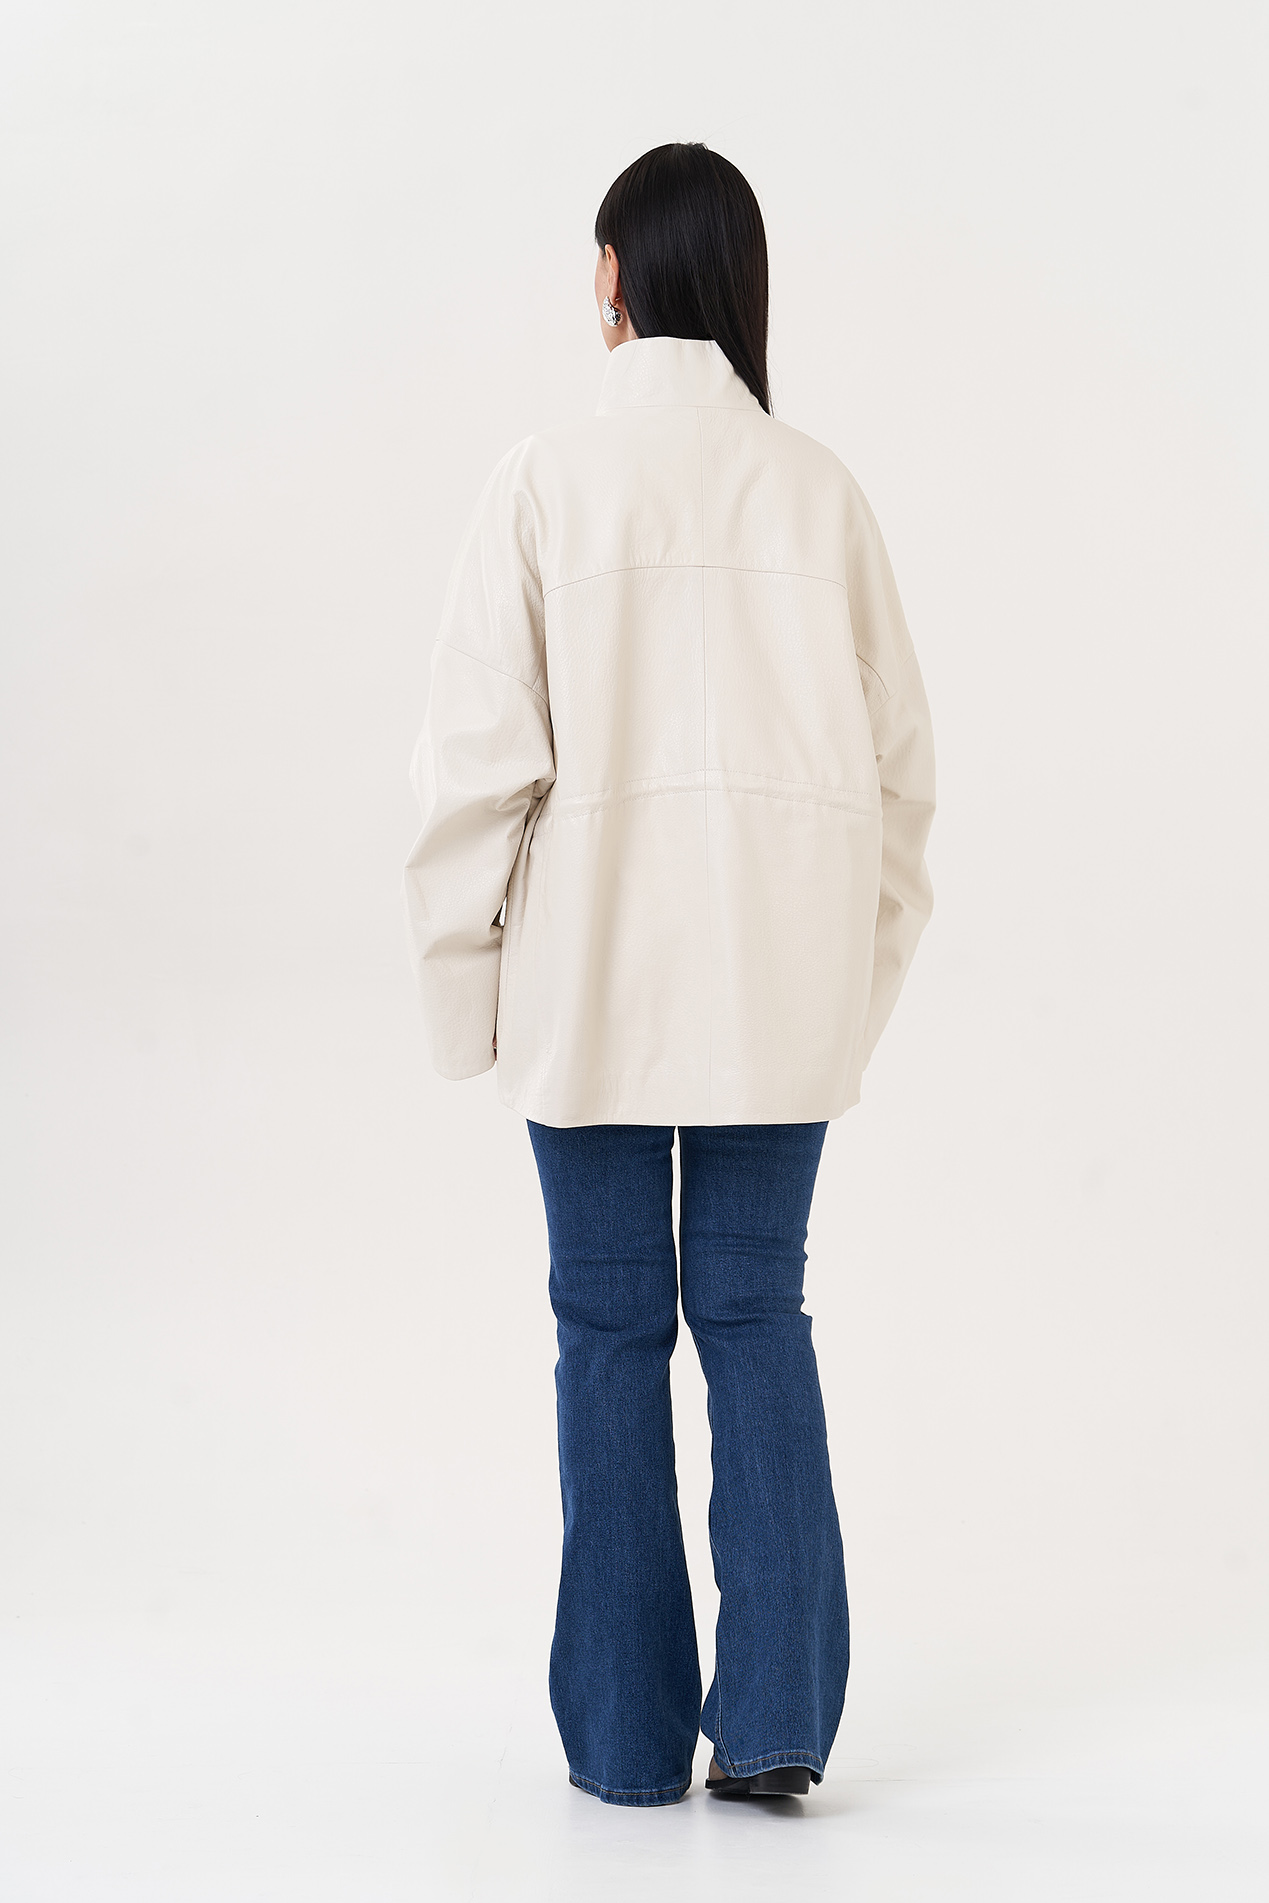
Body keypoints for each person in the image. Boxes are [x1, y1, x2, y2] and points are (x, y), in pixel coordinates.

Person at [401, 142, 935, 1808]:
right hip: (783, 996)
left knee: (608, 1330)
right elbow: (903, 784)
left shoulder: (545, 483)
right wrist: (848, 990)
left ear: (615, 279)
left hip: (588, 995)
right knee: (754, 1313)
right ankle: (773, 1724)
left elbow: (473, 773)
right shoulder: (819, 493)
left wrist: (464, 1000)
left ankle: (629, 1744)